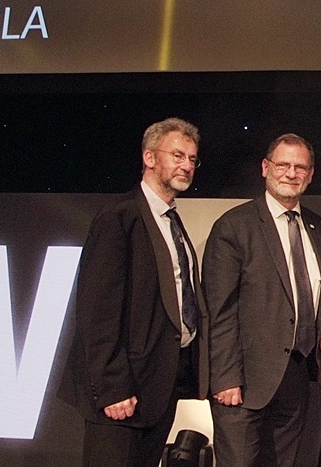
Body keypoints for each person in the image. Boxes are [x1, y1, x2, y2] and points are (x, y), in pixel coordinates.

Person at [59, 117, 208, 467]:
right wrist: (113, 386)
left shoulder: (172, 220)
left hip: (158, 389)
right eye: (177, 155)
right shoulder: (119, 217)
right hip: (122, 391)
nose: (186, 165)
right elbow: (97, 311)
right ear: (150, 158)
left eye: (192, 159)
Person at [202, 133, 321, 467]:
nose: (291, 173)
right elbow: (219, 310)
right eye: (283, 165)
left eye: (300, 167)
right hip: (243, 384)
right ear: (265, 168)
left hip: (298, 380)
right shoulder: (234, 226)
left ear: (310, 174)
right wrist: (226, 378)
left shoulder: (317, 227)